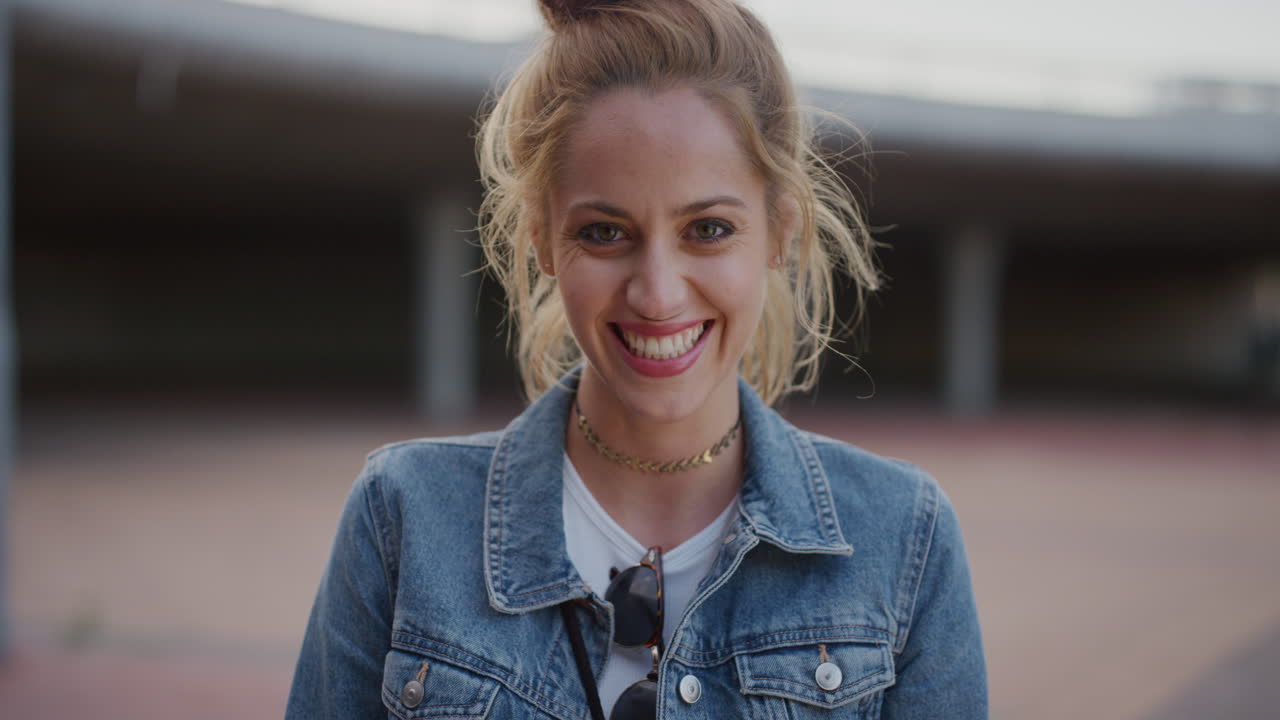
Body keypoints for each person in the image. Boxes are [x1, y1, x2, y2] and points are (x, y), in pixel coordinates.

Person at [286, 0, 987, 717]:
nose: (656, 294)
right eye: (604, 231)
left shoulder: (904, 539)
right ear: (543, 240)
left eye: (708, 229)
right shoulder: (402, 518)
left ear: (779, 232)